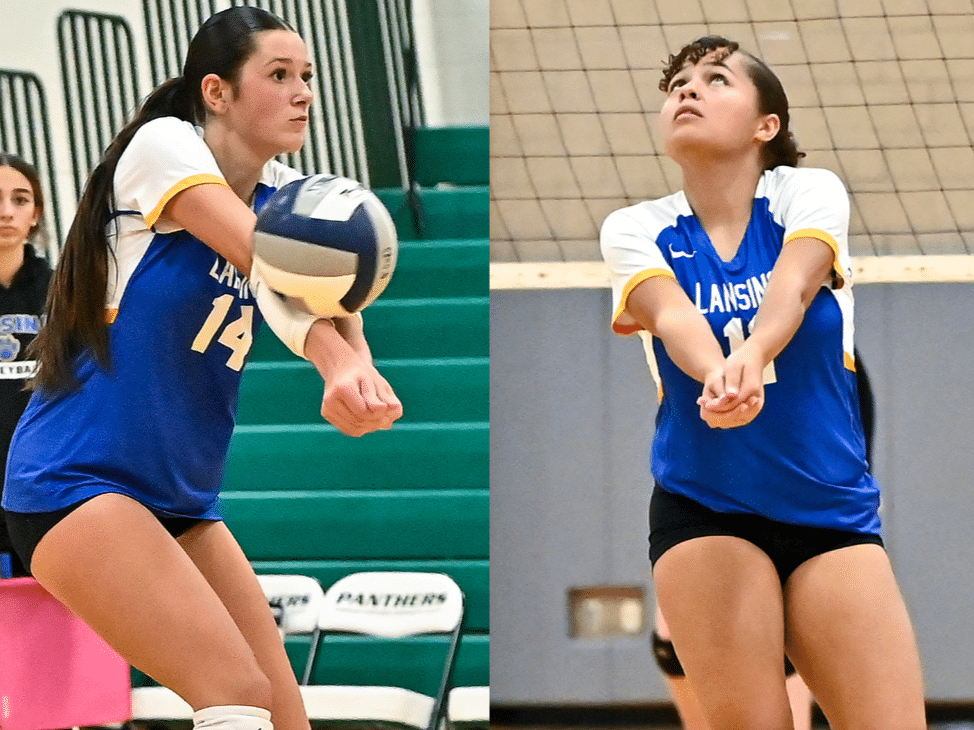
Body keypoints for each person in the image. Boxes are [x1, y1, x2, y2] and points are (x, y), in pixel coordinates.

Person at [2, 8, 401, 730]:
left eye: (308, 76)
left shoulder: (286, 195)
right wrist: (334, 359)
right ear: (216, 92)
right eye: (279, 76)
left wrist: (355, 366)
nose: (303, 92)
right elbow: (271, 264)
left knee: (284, 717)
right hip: (76, 480)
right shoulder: (165, 147)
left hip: (180, 502)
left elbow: (324, 301)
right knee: (233, 693)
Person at [600, 35, 925, 730]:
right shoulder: (635, 227)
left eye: (716, 80)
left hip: (828, 511)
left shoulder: (807, 192)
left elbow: (795, 283)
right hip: (706, 507)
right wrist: (720, 375)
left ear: (765, 125)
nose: (687, 90)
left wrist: (752, 359)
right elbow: (673, 317)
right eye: (678, 83)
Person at [649, 353, 876, 730]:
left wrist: (756, 351)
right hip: (704, 391)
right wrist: (713, 369)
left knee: (791, 604)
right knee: (680, 629)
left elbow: (795, 296)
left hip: (809, 387)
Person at [0, 153, 52, 579]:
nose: (5, 212)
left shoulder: (64, 289)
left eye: (20, 200)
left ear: (35, 213)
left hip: (43, 491)